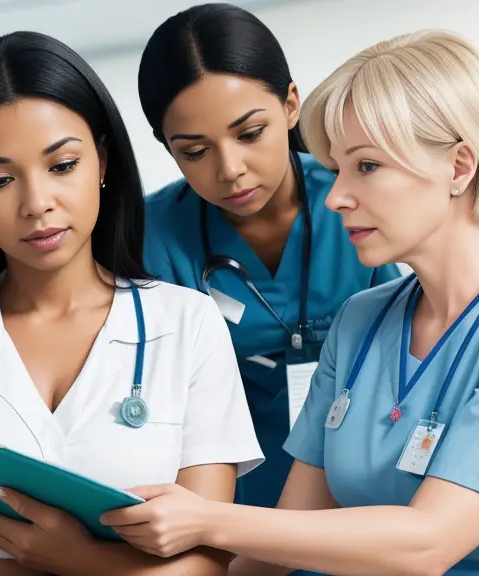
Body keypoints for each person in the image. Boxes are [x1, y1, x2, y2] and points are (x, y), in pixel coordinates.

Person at [0, 30, 264, 576]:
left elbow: (208, 560)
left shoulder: (187, 323)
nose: (37, 204)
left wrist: (76, 560)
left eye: (62, 166)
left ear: (103, 160)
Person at [100, 29, 479, 575]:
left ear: (458, 167)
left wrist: (205, 520)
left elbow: (427, 544)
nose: (334, 196)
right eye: (335, 169)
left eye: (366, 166)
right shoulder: (362, 321)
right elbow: (275, 555)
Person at [137, 2, 402, 510]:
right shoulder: (150, 239)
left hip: (365, 493)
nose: (230, 169)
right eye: (195, 151)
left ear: (290, 105)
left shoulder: (358, 200)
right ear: (166, 146)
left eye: (250, 133)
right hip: (228, 506)